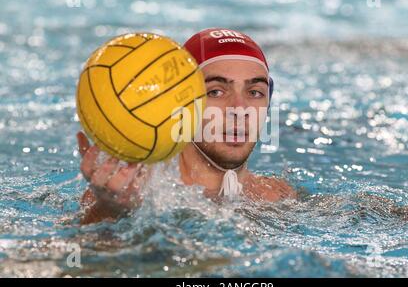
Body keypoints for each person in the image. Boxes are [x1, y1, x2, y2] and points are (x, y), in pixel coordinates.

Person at [77, 28, 297, 224]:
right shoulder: (125, 191)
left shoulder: (276, 196)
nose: (239, 109)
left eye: (254, 93)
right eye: (216, 92)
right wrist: (110, 211)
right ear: (182, 102)